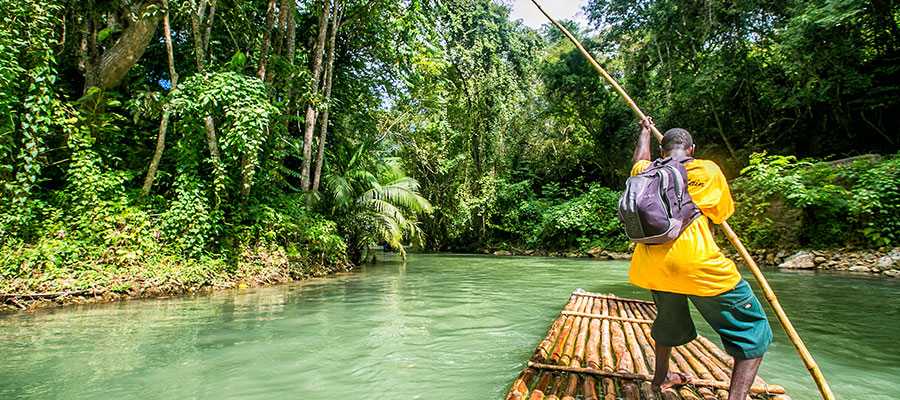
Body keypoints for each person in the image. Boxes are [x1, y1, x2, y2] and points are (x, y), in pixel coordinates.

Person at [629, 118, 772, 400]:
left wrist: (644, 132)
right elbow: (721, 214)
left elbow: (638, 161)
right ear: (692, 149)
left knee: (668, 319)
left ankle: (660, 379)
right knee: (753, 328)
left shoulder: (645, 172)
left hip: (652, 267)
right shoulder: (706, 169)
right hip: (696, 264)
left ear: (661, 152)